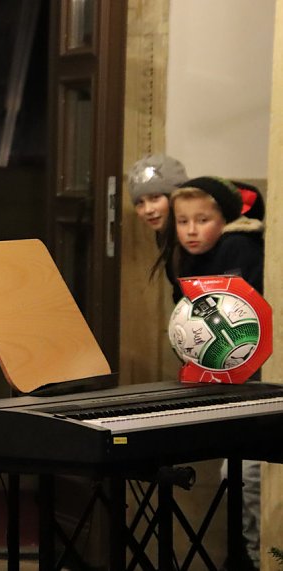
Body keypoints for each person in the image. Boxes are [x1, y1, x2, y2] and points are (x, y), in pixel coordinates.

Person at [155, 176, 264, 570]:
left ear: (226, 220)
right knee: (235, 478)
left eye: (202, 220)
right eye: (183, 221)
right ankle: (246, 555)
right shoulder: (181, 258)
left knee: (248, 478)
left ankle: (255, 558)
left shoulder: (242, 248)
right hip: (222, 384)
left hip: (256, 381)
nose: (191, 230)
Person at [128, 153, 189, 234]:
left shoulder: (198, 241)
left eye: (155, 198)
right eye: (140, 202)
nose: (148, 210)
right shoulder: (165, 238)